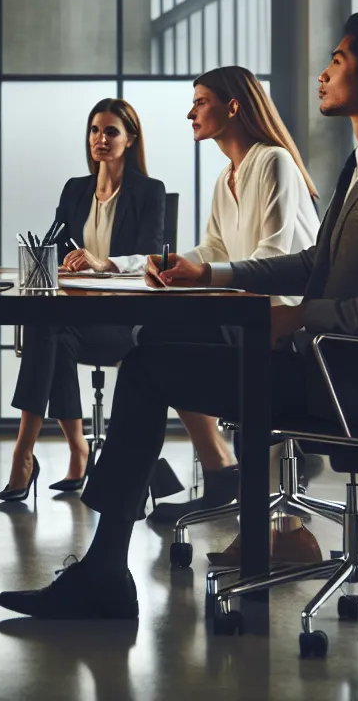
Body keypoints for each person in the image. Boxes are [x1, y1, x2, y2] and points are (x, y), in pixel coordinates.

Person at [0, 12, 358, 620]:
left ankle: (110, 565)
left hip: (348, 380)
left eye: (337, 62)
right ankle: (116, 556)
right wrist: (208, 274)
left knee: (148, 363)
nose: (322, 74)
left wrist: (298, 319)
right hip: (321, 360)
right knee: (149, 359)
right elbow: (313, 261)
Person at [141, 66, 320, 528]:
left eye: (200, 101)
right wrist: (176, 262)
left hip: (286, 324)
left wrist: (204, 273)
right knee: (156, 336)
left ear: (233, 106)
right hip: (247, 314)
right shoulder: (229, 177)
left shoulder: (273, 161)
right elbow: (216, 248)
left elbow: (274, 254)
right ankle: (226, 473)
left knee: (161, 345)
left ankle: (260, 491)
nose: (190, 112)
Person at [2, 100, 165, 502]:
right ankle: (65, 450)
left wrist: (102, 263)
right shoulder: (75, 190)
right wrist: (53, 262)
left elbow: (152, 257)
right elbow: (52, 246)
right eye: (95, 130)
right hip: (75, 318)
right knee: (49, 330)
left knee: (49, 332)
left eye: (111, 132)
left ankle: (28, 455)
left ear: (130, 139)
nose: (101, 139)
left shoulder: (149, 191)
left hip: (124, 324)